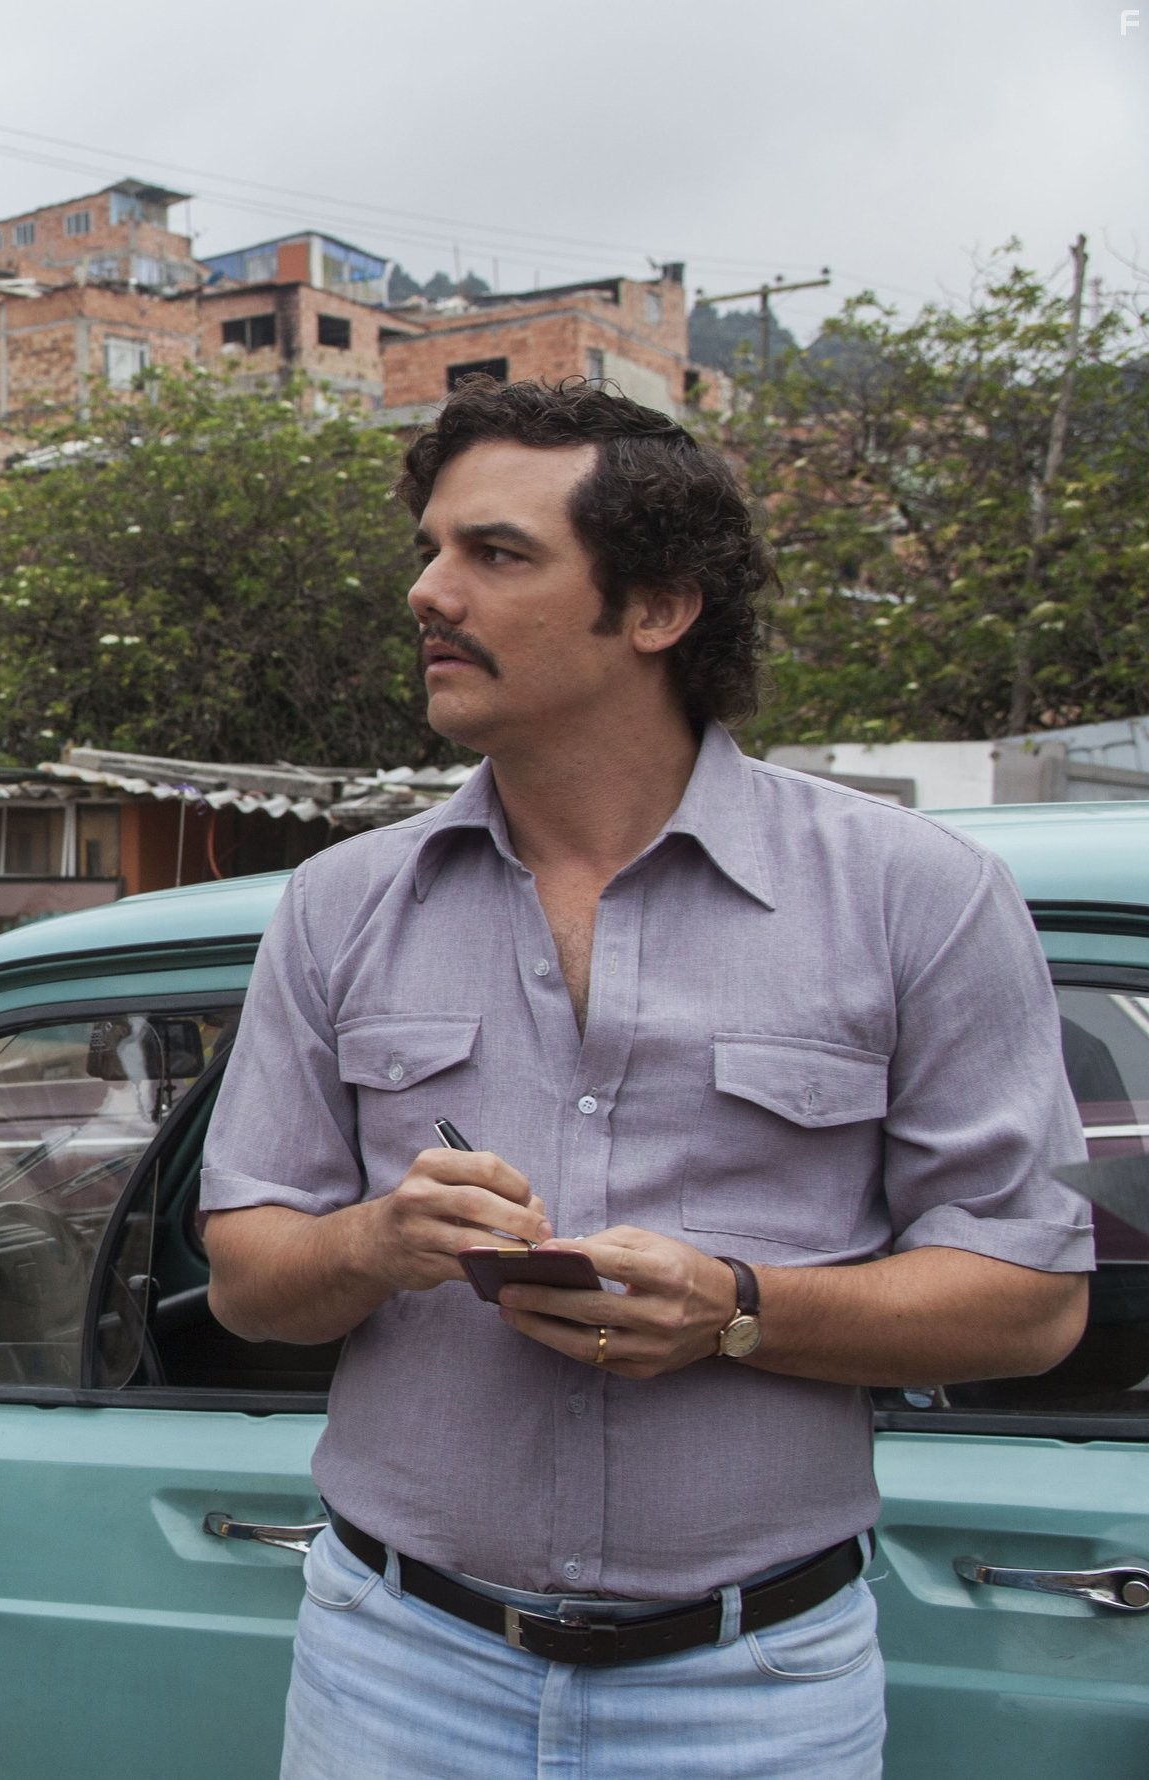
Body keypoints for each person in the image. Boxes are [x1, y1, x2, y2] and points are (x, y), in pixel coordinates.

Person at [197, 378, 1093, 1778]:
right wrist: (381, 1242)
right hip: (396, 1668)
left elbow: (1031, 1303)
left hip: (752, 1692)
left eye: (496, 555)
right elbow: (249, 1280)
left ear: (659, 609)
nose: (430, 592)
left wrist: (737, 1311)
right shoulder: (337, 905)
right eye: (431, 548)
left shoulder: (915, 897)